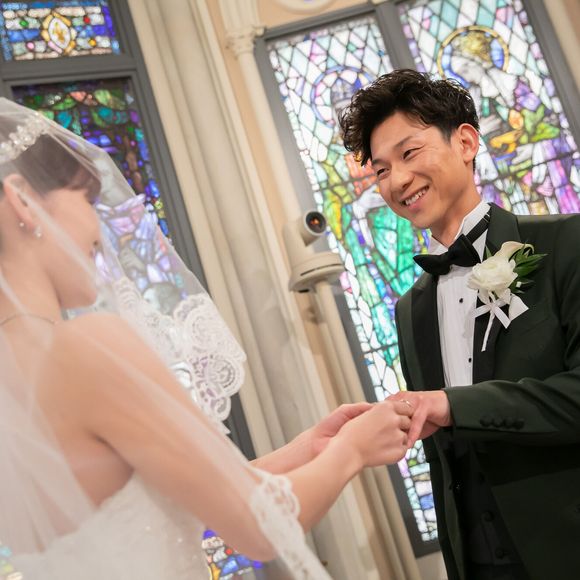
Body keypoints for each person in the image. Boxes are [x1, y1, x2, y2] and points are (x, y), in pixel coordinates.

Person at [0, 98, 413, 580]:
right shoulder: (85, 347)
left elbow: (170, 503)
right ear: (22, 200)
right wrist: (354, 450)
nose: (100, 228)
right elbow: (259, 527)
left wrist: (310, 447)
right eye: (87, 201)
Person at [339, 68, 580, 580]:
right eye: (381, 171)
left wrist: (450, 405)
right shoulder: (409, 310)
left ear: (466, 142)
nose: (397, 181)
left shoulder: (566, 244)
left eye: (410, 153)